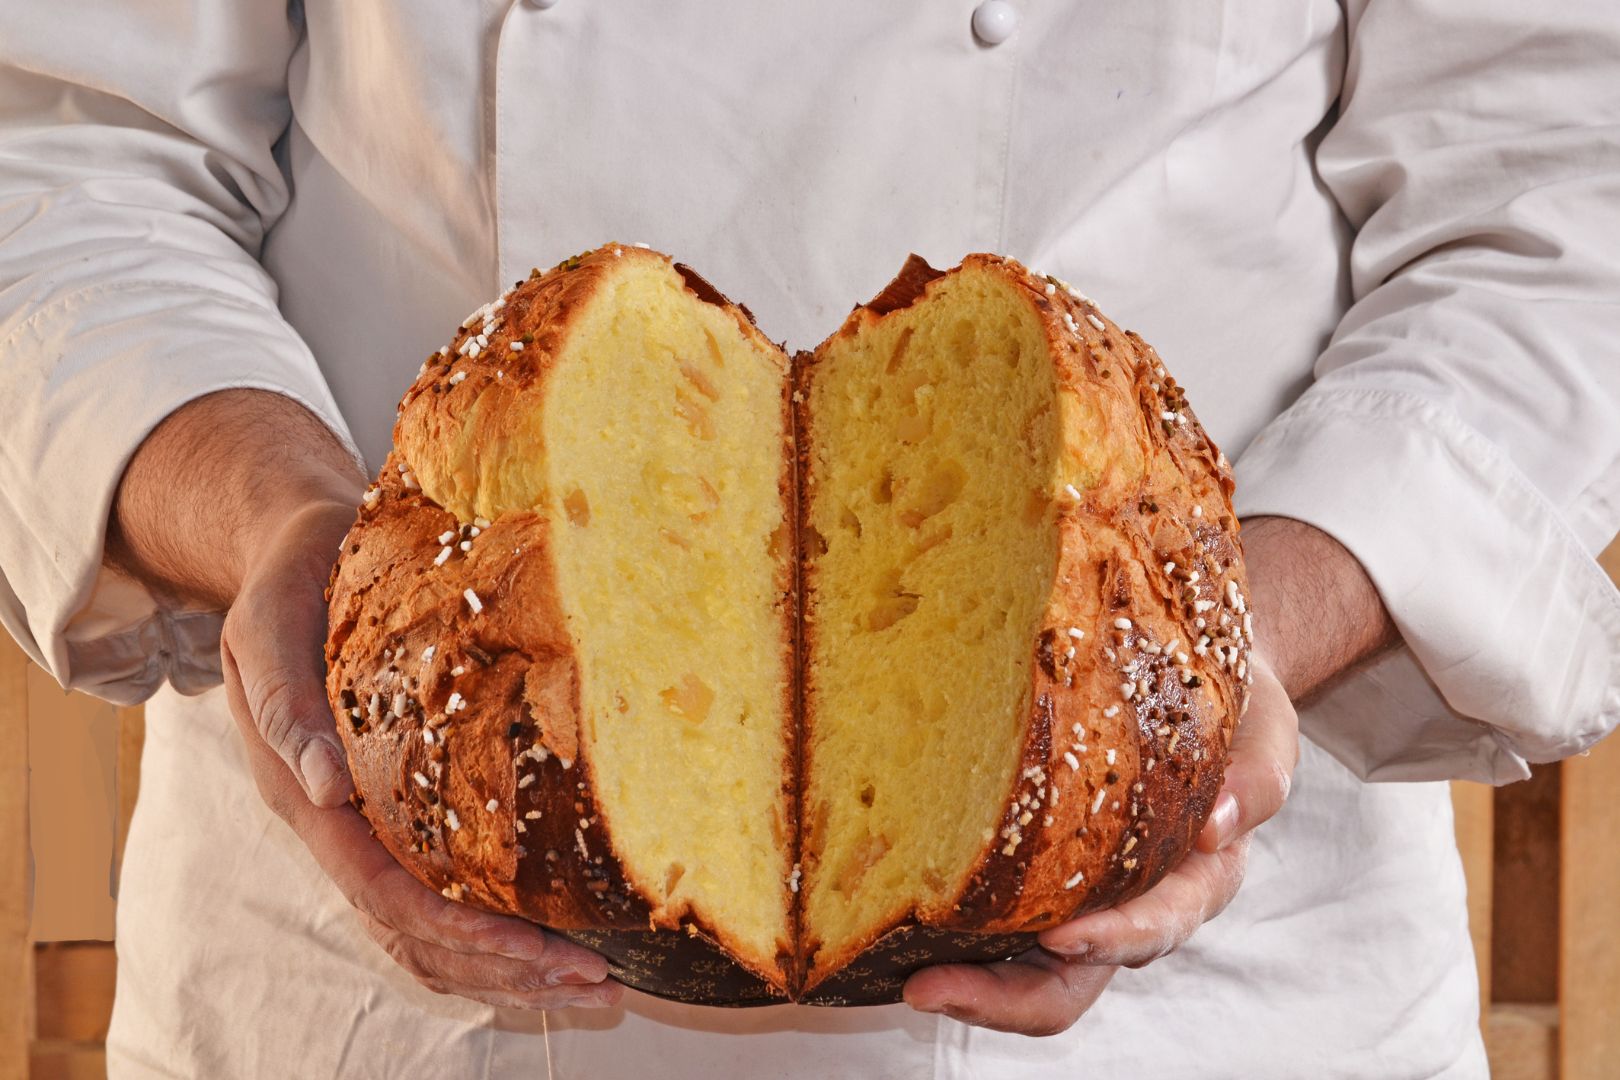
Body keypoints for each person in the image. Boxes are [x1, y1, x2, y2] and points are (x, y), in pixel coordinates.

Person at [2, 2, 1616, 1077]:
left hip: (1211, 1005)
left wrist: (1218, 649)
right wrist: (279, 523)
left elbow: (1562, 187)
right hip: (377, 953)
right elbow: (65, 151)